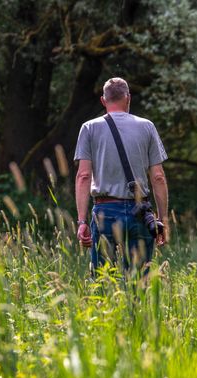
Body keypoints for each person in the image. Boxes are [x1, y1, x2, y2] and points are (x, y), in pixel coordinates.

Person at [74, 77, 169, 277]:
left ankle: (102, 307)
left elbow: (83, 175)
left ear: (103, 100)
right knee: (139, 282)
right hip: (140, 213)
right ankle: (136, 309)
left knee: (102, 279)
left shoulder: (89, 128)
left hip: (105, 212)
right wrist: (163, 219)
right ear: (128, 98)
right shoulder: (147, 126)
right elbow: (158, 177)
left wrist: (82, 221)